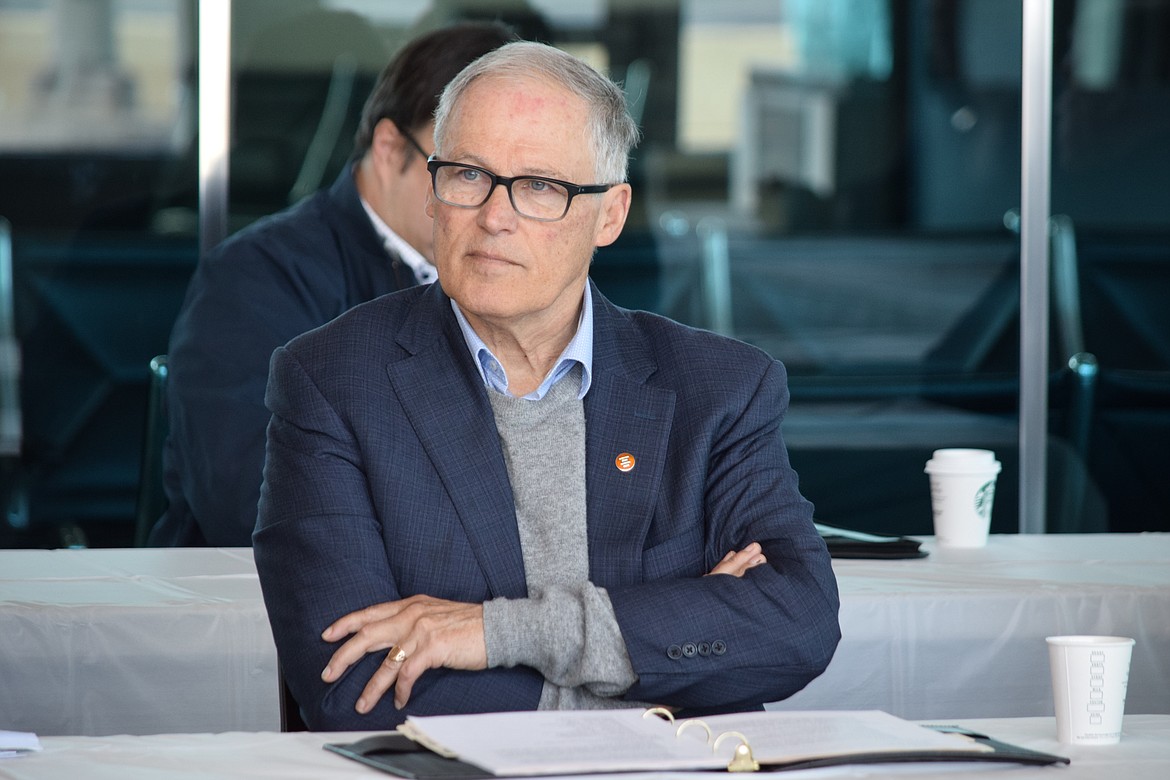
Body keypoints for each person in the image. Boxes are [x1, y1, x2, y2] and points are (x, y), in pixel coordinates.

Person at [253, 41, 840, 731]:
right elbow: (354, 691)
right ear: (434, 191)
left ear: (611, 215)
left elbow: (797, 625)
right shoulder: (332, 384)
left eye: (540, 187)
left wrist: (494, 634)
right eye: (468, 174)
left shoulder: (718, 391)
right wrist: (661, 665)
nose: (494, 216)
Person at [149, 22, 516, 547]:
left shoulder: (517, 275)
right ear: (390, 149)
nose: (500, 213)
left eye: (528, 180)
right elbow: (252, 501)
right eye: (469, 173)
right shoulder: (257, 278)